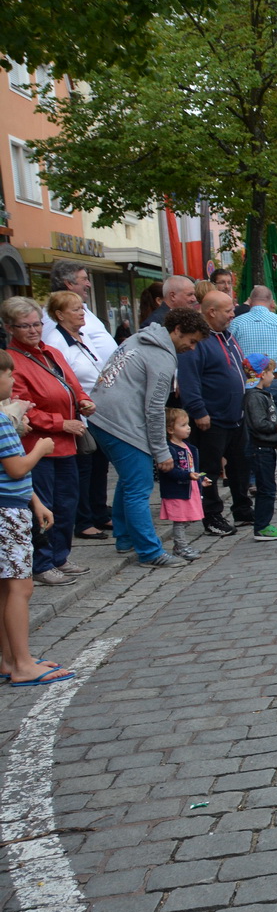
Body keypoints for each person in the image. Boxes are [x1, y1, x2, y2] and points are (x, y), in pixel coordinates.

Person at [88, 308, 210, 568]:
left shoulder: (139, 338)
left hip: (101, 417)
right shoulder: (161, 357)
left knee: (129, 480)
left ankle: (125, 538)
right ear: (177, 330)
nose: (192, 347)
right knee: (139, 486)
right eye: (192, 341)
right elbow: (155, 409)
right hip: (121, 423)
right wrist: (161, 451)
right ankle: (150, 552)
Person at [3, 295, 96, 587]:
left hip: (66, 442)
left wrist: (83, 401)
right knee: (45, 505)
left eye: (37, 324)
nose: (33, 330)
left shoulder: (52, 352)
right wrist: (60, 422)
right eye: (25, 326)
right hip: (37, 445)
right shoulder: (12, 361)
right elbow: (23, 406)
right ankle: (42, 563)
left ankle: (60, 556)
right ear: (9, 328)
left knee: (67, 502)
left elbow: (73, 384)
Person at [0, 352, 67, 686]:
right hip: (7, 512)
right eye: (8, 375)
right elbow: (16, 468)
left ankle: (9, 658)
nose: (13, 382)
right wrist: (40, 448)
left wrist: (35, 501)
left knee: (6, 588)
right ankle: (22, 664)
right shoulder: (0, 421)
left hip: (13, 504)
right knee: (19, 586)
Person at [44, 277, 118, 542]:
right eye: (75, 309)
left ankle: (99, 512)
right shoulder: (55, 340)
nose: (81, 313)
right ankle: (83, 520)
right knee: (84, 469)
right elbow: (62, 376)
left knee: (100, 467)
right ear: (59, 315)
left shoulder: (82, 334)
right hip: (78, 413)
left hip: (97, 410)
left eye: (81, 309)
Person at [178, 290, 251, 537]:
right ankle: (212, 515)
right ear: (211, 312)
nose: (233, 314)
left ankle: (242, 508)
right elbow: (189, 380)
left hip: (235, 414)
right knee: (209, 469)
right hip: (212, 418)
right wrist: (199, 411)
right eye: (228, 310)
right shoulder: (198, 341)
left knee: (240, 464)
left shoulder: (228, 336)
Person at [231, 286, 277, 492]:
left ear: (250, 301)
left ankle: (254, 480)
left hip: (249, 383)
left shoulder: (236, 323)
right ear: (271, 302)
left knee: (252, 430)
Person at [241, 355, 277, 541]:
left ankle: (264, 523)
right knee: (267, 488)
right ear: (262, 374)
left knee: (269, 486)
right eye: (271, 372)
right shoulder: (254, 397)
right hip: (260, 448)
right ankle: (262, 526)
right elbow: (259, 424)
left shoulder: (261, 394)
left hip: (267, 447)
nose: (273, 375)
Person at [158, 408, 207, 560]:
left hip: (190, 488)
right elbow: (171, 471)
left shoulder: (189, 447)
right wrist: (188, 475)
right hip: (178, 490)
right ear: (170, 429)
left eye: (188, 424)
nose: (188, 428)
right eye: (183, 425)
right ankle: (181, 547)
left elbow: (192, 468)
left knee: (190, 518)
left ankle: (181, 545)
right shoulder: (169, 449)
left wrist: (200, 479)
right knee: (180, 521)